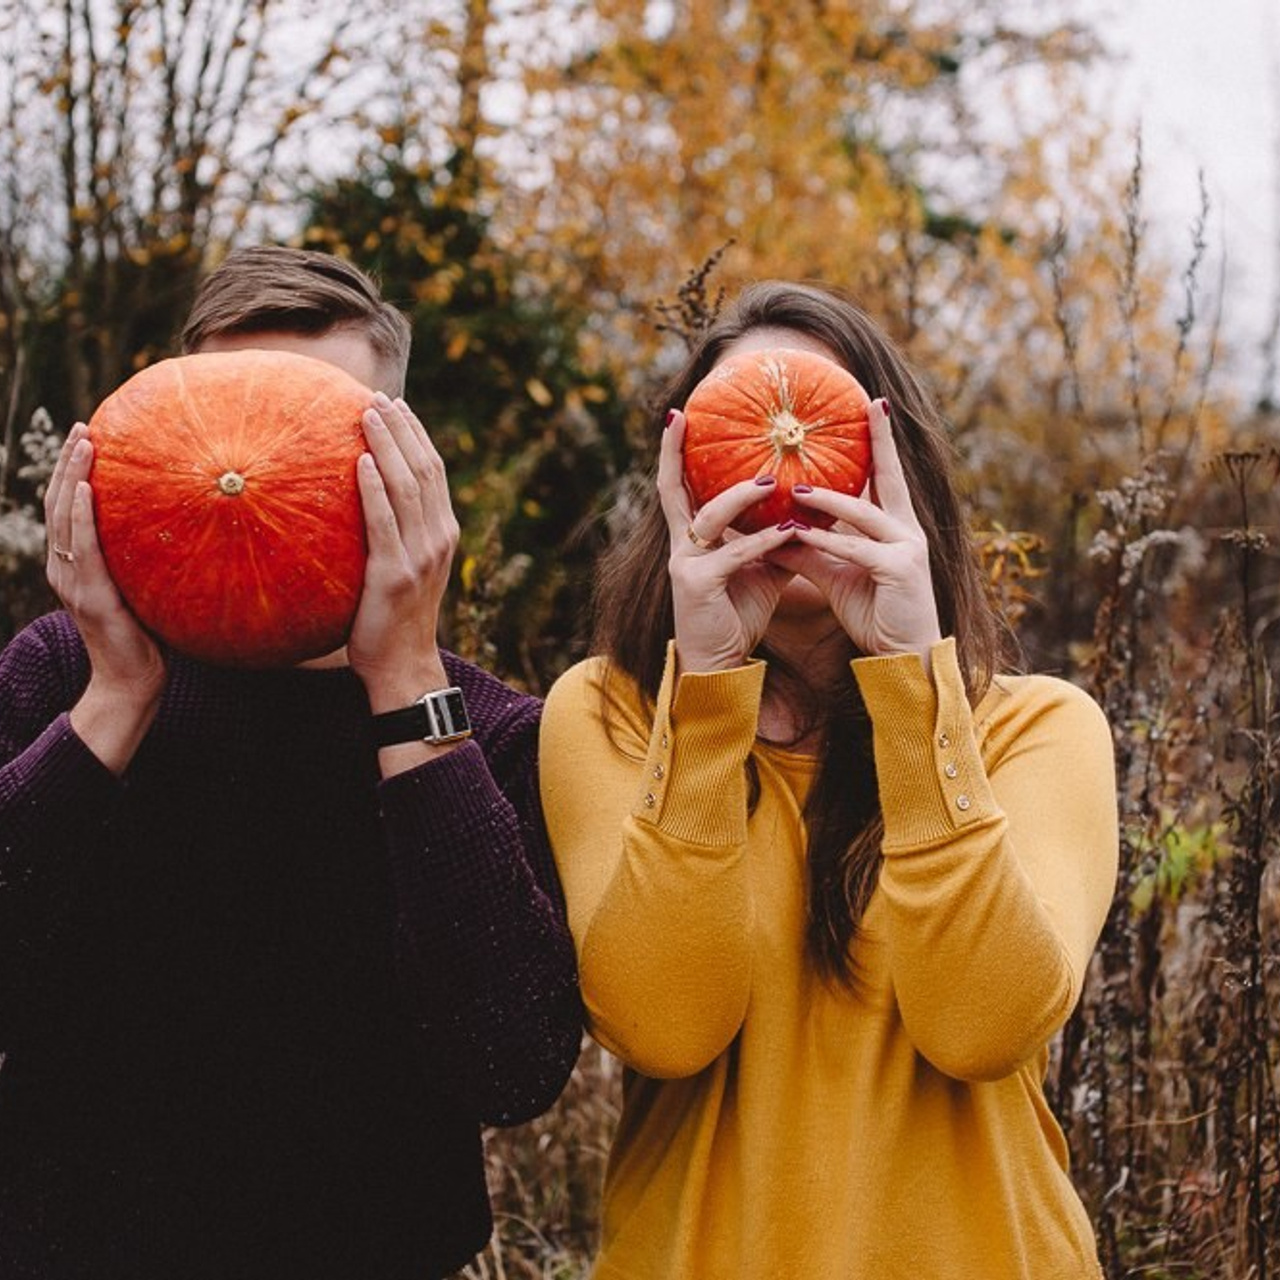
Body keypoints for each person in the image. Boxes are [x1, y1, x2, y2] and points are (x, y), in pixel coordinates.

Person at [0, 246, 581, 1279]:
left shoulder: (485, 729)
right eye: (226, 415)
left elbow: (512, 1066)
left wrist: (405, 680)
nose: (255, 462)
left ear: (402, 466)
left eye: (311, 429)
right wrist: (116, 699)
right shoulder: (61, 674)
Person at [539, 281, 1119, 1280]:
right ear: (684, 482)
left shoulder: (1038, 730)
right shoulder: (609, 714)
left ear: (898, 474)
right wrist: (707, 690)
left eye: (821, 427)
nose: (781, 461)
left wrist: (912, 681)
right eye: (737, 430)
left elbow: (982, 1027)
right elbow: (662, 1027)